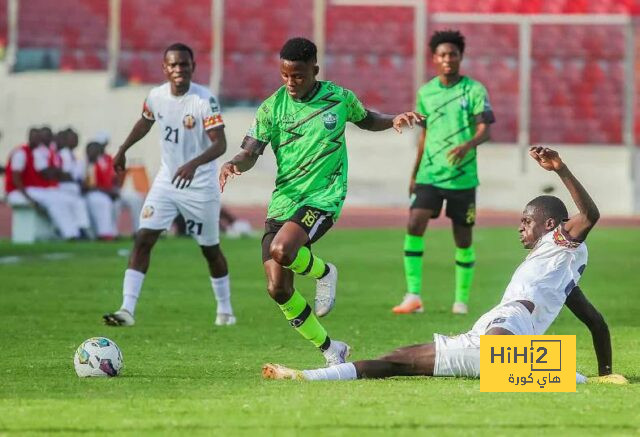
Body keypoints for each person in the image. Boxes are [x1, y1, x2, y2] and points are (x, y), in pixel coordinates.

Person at [262, 147, 628, 385]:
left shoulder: (558, 244)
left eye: (527, 221)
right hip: (495, 329)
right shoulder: (559, 273)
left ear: (550, 225)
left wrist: (561, 168)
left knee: (397, 363)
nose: (520, 226)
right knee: (401, 358)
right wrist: (606, 375)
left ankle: (303, 377)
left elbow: (590, 215)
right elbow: (595, 322)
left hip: (504, 330)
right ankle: (565, 374)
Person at [219, 37, 423, 365]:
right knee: (278, 289)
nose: (290, 82)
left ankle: (324, 271)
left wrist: (393, 120)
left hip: (323, 196)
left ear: (314, 70)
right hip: (284, 201)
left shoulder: (338, 98)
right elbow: (250, 151)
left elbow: (367, 118)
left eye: (298, 75)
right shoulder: (272, 108)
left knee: (283, 251)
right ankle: (332, 349)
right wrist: (234, 163)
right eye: (285, 75)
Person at [103, 42, 235, 327]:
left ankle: (225, 310)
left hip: (199, 184)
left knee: (209, 249)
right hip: (166, 181)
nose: (178, 69)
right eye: (173, 65)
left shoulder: (204, 100)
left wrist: (192, 164)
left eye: (183, 64)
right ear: (164, 68)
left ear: (192, 67)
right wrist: (123, 149)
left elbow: (221, 143)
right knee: (143, 238)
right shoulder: (155, 96)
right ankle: (127, 309)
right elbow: (145, 121)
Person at [393, 30, 495, 316]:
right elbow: (424, 136)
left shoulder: (474, 90)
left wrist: (468, 144)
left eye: (452, 54)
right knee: (414, 224)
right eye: (442, 54)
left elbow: (485, 129)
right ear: (434, 59)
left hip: (462, 177)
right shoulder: (426, 93)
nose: (447, 58)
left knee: (462, 238)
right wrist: (414, 173)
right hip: (430, 174)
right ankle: (413, 295)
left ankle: (460, 300)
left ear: (460, 57)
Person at [5, 127, 80, 240]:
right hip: (17, 191)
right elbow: (16, 179)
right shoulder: (21, 153)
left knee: (61, 199)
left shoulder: (38, 152)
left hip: (32, 189)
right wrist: (28, 198)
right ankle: (69, 234)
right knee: (53, 200)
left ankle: (72, 231)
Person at [84, 141, 118, 240]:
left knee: (113, 202)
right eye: (91, 151)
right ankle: (104, 233)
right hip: (90, 193)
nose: (93, 153)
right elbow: (88, 186)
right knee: (102, 201)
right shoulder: (84, 163)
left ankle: (113, 232)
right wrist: (105, 191)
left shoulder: (101, 163)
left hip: (101, 192)